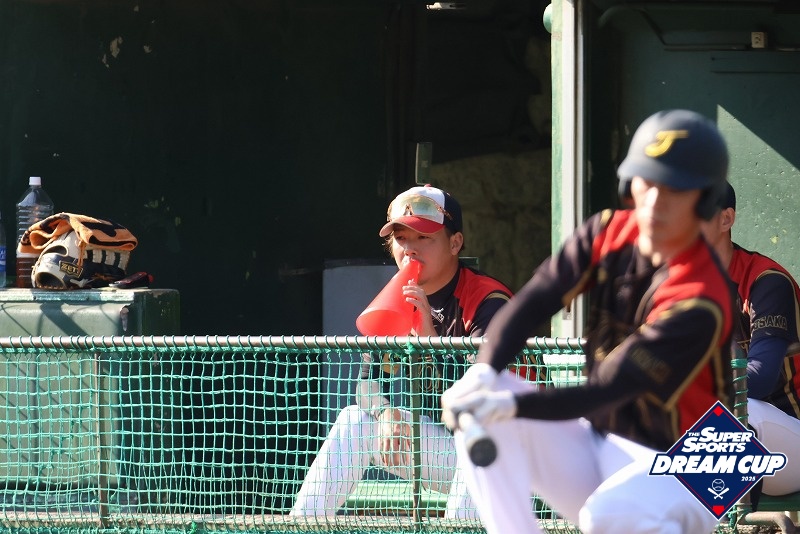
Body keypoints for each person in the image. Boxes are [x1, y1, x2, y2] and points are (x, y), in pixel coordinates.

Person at [440, 109, 736, 534]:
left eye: (675, 189)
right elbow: (534, 301)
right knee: (485, 396)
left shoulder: (703, 295)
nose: (655, 202)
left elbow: (609, 388)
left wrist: (513, 406)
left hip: (701, 464)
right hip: (606, 440)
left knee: (610, 514)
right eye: (647, 182)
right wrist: (483, 374)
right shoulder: (608, 231)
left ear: (705, 201)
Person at [291, 184, 512, 518]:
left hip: (514, 454)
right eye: (401, 238)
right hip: (453, 449)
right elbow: (367, 385)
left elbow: (484, 399)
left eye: (424, 237)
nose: (410, 249)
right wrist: (384, 412)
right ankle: (302, 525)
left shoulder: (488, 301)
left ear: (455, 243)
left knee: (478, 440)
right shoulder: (397, 297)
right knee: (356, 421)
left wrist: (428, 338)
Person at [700, 182, 800, 497]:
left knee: (738, 410)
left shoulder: (766, 282)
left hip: (790, 433)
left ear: (726, 219)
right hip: (734, 441)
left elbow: (759, 379)